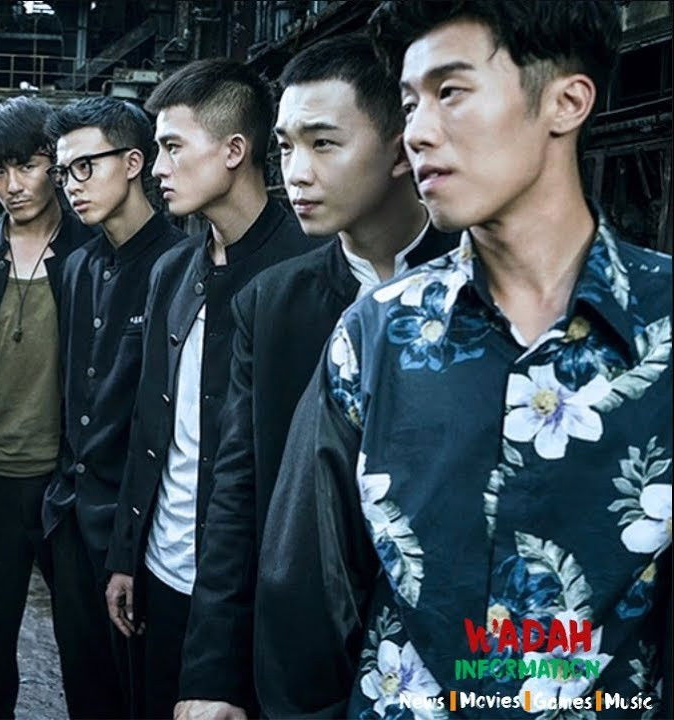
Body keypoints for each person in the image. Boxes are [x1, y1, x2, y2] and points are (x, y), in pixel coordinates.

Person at [255, 2, 672, 718]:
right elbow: (305, 600)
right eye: (409, 103)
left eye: (450, 92)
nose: (417, 131)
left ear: (567, 102)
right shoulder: (377, 335)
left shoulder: (661, 329)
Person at [176, 34, 458, 720]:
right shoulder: (271, 303)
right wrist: (211, 674)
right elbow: (236, 496)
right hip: (302, 666)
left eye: (324, 144)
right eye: (285, 147)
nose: (296, 174)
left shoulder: (477, 286)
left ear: (402, 147)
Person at [104, 58, 314, 719]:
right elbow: (150, 424)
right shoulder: (173, 270)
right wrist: (126, 553)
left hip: (257, 593)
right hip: (161, 573)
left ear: (233, 150)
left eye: (172, 147)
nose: (157, 169)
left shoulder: (306, 272)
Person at [0, 95, 94, 719]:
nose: (12, 185)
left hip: (68, 487)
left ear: (53, 164)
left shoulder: (92, 251)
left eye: (27, 166)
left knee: (90, 656)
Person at [41, 96, 185, 718]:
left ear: (133, 163)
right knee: (85, 696)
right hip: (73, 520)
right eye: (63, 172)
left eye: (85, 167)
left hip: (145, 532)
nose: (71, 185)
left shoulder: (180, 264)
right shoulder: (77, 266)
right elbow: (73, 392)